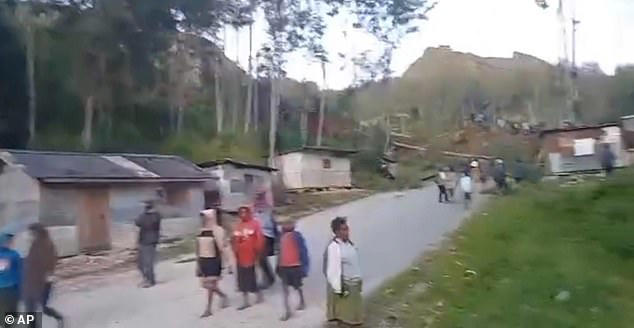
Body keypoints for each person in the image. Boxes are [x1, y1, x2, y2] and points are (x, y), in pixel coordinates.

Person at [23, 223, 64, 328]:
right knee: (29, 308)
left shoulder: (47, 245)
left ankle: (59, 317)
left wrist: (47, 275)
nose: (30, 235)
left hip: (42, 282)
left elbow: (51, 262)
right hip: (31, 282)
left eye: (31, 233)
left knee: (43, 308)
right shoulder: (34, 244)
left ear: (37, 232)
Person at [324, 217, 363, 327]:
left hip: (354, 284)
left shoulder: (349, 243)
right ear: (336, 232)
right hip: (346, 286)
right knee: (345, 318)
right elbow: (333, 271)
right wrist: (340, 290)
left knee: (354, 318)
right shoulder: (334, 247)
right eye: (343, 229)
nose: (347, 232)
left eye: (347, 229)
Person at [196, 210, 229, 318]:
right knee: (205, 284)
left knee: (210, 285)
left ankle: (208, 309)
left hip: (213, 260)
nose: (202, 219)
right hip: (203, 260)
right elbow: (198, 248)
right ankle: (223, 296)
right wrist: (197, 263)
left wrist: (225, 263)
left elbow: (222, 248)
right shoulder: (200, 230)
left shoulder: (218, 230)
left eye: (204, 217)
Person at [232, 206, 265, 310]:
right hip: (240, 256)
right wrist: (235, 251)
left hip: (251, 255)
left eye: (245, 212)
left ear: (249, 213)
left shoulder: (255, 224)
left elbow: (260, 239)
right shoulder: (238, 226)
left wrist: (257, 254)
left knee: (251, 278)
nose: (243, 215)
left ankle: (258, 294)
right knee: (241, 279)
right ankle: (245, 301)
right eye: (240, 213)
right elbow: (235, 240)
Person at [277, 219, 309, 321]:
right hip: (284, 266)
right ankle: (287, 311)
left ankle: (302, 301)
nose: (286, 225)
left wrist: (304, 267)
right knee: (285, 289)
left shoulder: (297, 236)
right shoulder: (280, 237)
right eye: (285, 223)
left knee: (297, 286)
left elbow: (303, 252)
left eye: (289, 223)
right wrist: (278, 265)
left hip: (295, 265)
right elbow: (279, 252)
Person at [253, 190, 278, 289]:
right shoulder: (253, 209)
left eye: (259, 196)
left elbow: (273, 223)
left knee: (262, 258)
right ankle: (267, 277)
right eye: (257, 196)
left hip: (267, 235)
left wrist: (277, 238)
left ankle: (269, 278)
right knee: (260, 259)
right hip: (257, 236)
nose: (258, 199)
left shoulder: (268, 208)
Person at [135, 201, 161, 288]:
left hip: (149, 242)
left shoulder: (154, 216)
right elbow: (138, 222)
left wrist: (144, 214)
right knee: (140, 263)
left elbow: (138, 222)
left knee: (147, 263)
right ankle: (147, 279)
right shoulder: (154, 215)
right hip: (144, 241)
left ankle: (150, 280)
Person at [0, 233, 21, 324]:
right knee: (10, 314)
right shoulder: (14, 255)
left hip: (5, 289)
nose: (12, 242)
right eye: (9, 241)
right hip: (10, 288)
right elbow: (19, 273)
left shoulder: (14, 254)